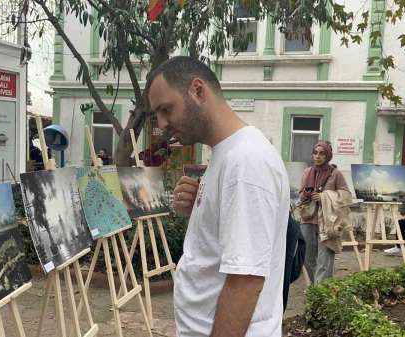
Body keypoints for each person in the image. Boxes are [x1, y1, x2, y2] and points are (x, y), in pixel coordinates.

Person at [147, 56, 289, 337]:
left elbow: (245, 281)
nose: (162, 123)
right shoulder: (228, 153)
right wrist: (197, 213)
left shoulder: (245, 162)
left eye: (166, 109)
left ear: (198, 91)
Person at [298, 142, 352, 284]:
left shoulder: (336, 174)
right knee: (307, 259)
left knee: (324, 261)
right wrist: (306, 195)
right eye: (315, 152)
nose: (318, 156)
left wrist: (324, 196)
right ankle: (315, 289)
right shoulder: (307, 172)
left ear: (328, 155)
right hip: (307, 220)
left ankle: (321, 294)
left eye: (322, 153)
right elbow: (301, 193)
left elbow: (346, 196)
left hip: (328, 223)